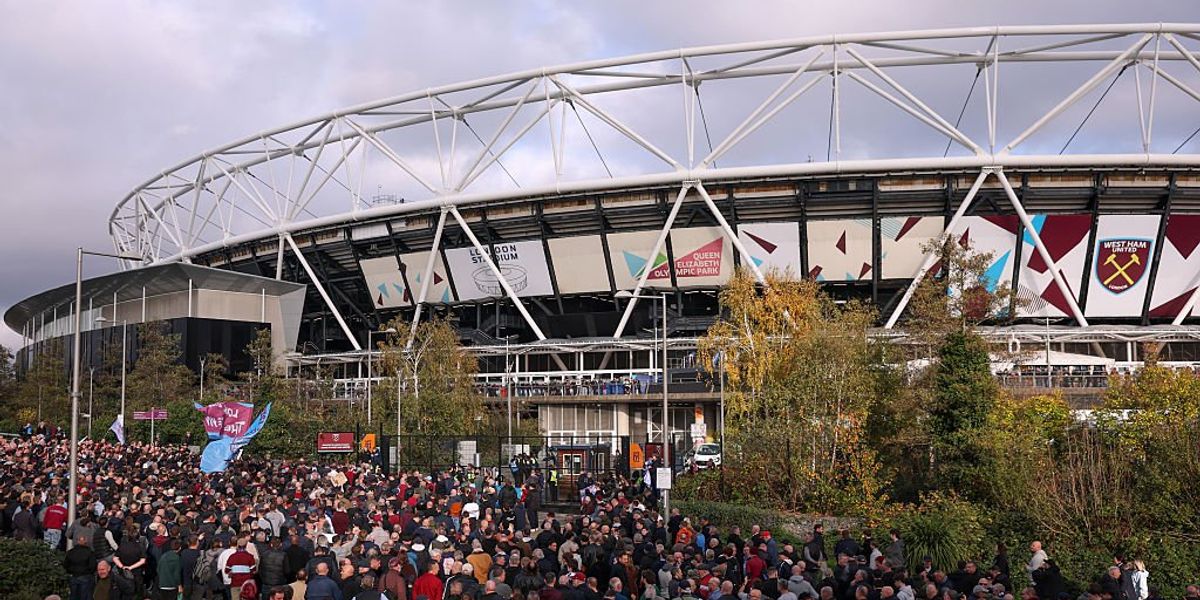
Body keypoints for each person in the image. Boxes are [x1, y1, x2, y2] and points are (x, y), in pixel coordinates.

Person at [64, 535, 97, 600]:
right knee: (85, 596)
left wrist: (70, 571)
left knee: (73, 596)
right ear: (85, 541)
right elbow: (92, 566)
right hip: (86, 576)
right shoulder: (89, 552)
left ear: (77, 541)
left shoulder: (70, 552)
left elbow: (65, 565)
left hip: (73, 576)